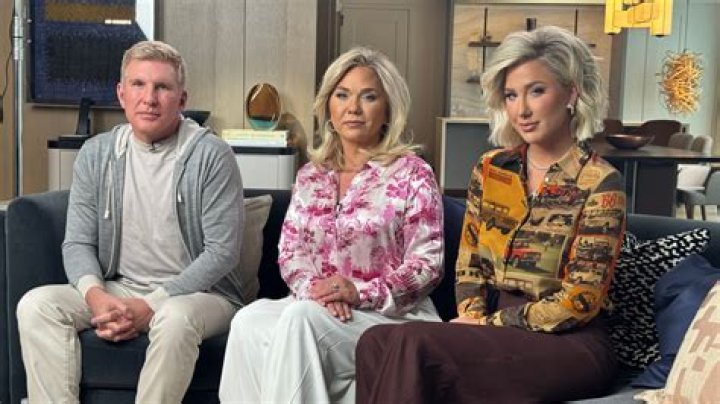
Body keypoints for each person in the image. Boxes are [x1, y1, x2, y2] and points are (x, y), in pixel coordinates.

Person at [355, 25, 627, 403]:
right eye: (511, 95)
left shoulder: (600, 182)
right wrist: (473, 318)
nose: (522, 110)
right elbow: (469, 266)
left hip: (570, 340)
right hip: (496, 331)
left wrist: (487, 323)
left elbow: (579, 300)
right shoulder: (491, 169)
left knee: (413, 343)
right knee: (374, 341)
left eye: (536, 91)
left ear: (571, 93)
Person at [16, 40, 251, 403]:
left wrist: (152, 304)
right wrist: (95, 296)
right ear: (121, 93)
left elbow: (222, 252)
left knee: (174, 319)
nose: (149, 98)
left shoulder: (211, 155)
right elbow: (78, 242)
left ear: (182, 99)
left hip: (200, 296)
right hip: (120, 288)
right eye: (138, 84)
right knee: (36, 305)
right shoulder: (96, 153)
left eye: (162, 87)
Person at [218, 46, 444, 403]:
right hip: (318, 307)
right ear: (328, 105)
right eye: (342, 95)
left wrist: (358, 292)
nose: (353, 108)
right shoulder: (311, 175)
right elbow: (291, 252)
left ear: (388, 108)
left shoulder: (413, 173)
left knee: (301, 319)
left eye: (368, 97)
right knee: (249, 320)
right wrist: (317, 293)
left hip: (393, 315)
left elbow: (427, 266)